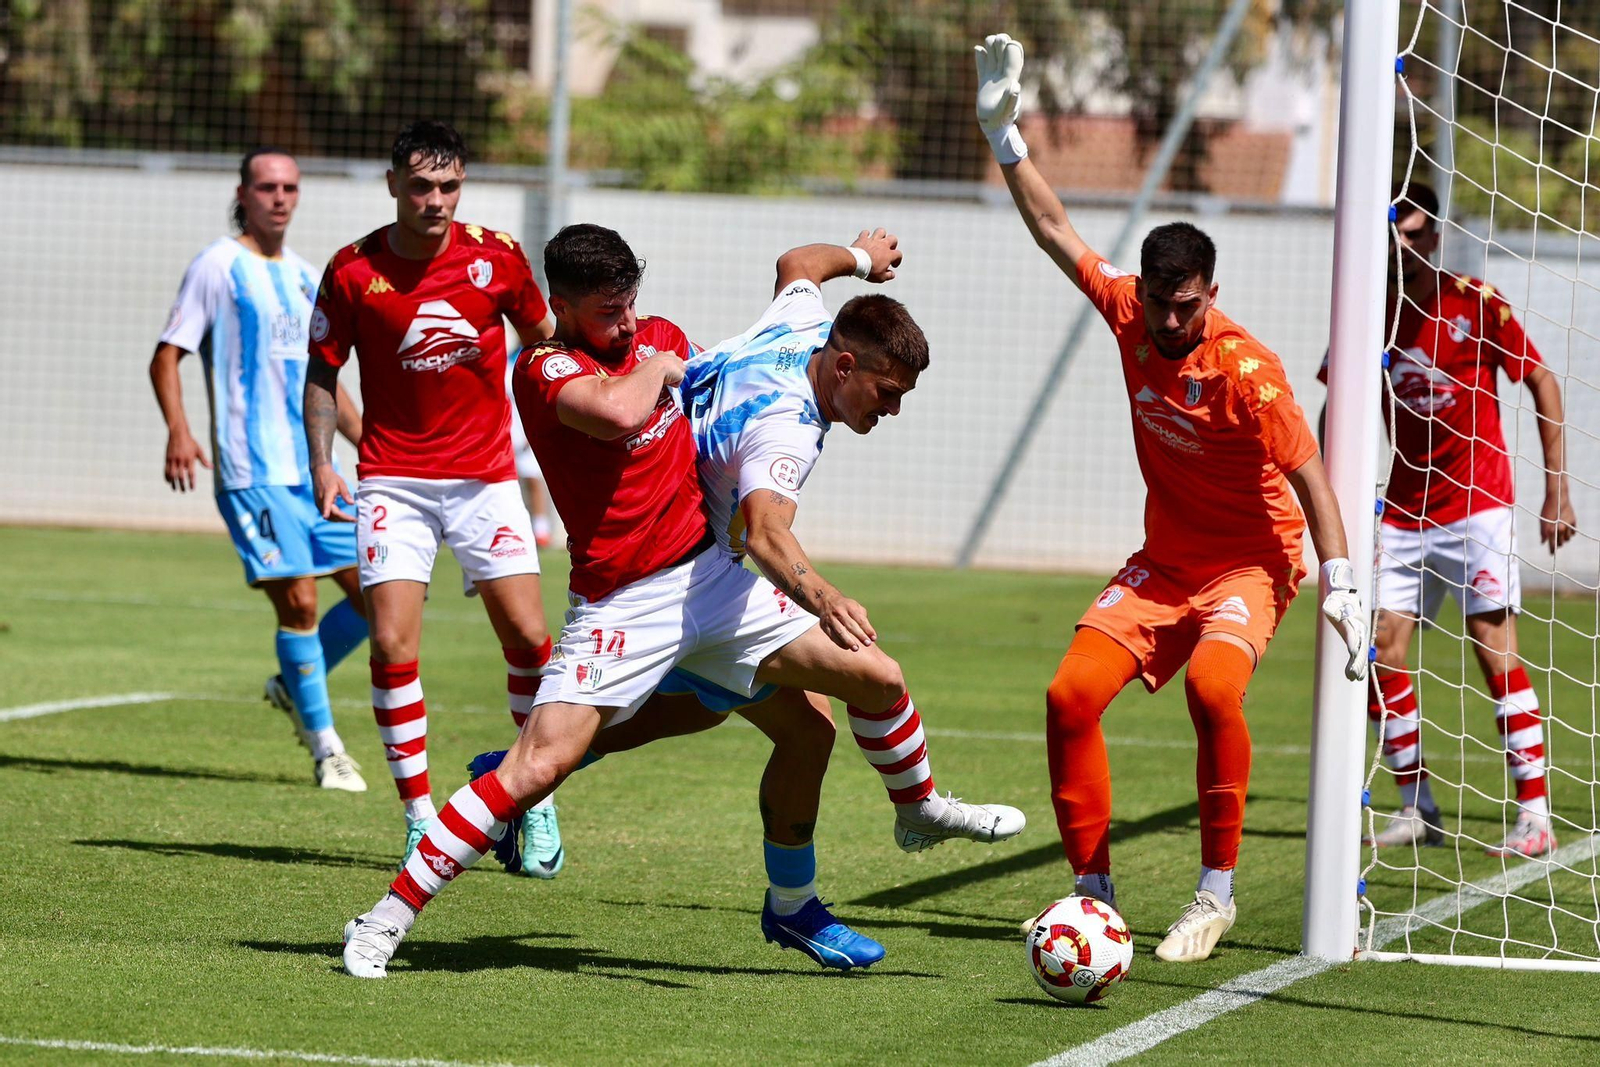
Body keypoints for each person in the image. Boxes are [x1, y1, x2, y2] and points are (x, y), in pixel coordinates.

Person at [340, 223, 1024, 978]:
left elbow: (794, 265)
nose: (630, 322)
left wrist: (862, 260)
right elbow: (620, 412)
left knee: (861, 691)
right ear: (560, 306)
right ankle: (384, 919)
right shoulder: (540, 367)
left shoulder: (688, 333)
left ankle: (858, 857)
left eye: (631, 302)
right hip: (625, 602)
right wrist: (665, 366)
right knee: (537, 769)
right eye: (608, 310)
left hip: (717, 578)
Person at [974, 34, 1368, 963]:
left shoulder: (1247, 370)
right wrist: (1005, 134)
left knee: (1213, 685)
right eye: (1159, 303)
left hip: (1251, 563)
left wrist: (1343, 578)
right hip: (1165, 559)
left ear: (1210, 293)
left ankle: (1215, 893)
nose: (1169, 320)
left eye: (1186, 305)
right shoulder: (1128, 312)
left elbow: (1310, 476)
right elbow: (1057, 230)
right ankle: (1093, 899)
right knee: (1069, 695)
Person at [303, 120, 559, 869]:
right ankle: (421, 818)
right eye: (420, 185)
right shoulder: (352, 271)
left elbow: (546, 342)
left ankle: (532, 801)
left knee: (530, 641)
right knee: (390, 642)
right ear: (393, 186)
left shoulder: (499, 257)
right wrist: (325, 462)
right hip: (392, 481)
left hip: (486, 480)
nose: (435, 199)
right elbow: (322, 372)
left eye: (448, 185)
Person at [1325, 182, 1574, 859]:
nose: (1400, 249)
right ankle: (1416, 806)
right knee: (1378, 651)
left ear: (1432, 235)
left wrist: (1558, 490)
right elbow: (1337, 401)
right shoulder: (1368, 312)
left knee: (1492, 644)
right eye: (1390, 236)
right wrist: (1330, 495)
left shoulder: (1477, 301)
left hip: (1479, 506)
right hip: (1403, 512)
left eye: (1411, 235)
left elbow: (1542, 380)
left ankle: (1535, 813)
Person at [149, 146, 368, 792]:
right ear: (243, 193)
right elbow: (167, 356)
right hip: (252, 470)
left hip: (315, 472)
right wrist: (181, 431)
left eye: (290, 187)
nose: (280, 197)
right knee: (299, 599)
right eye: (267, 186)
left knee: (381, 592)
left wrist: (376, 447)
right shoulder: (217, 267)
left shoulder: (306, 277)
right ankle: (327, 745)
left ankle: (292, 686)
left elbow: (323, 381)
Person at [506, 354, 556, 547]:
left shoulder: (532, 358)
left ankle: (540, 531)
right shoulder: (506, 360)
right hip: (506, 432)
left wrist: (532, 429)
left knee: (533, 480)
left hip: (525, 434)